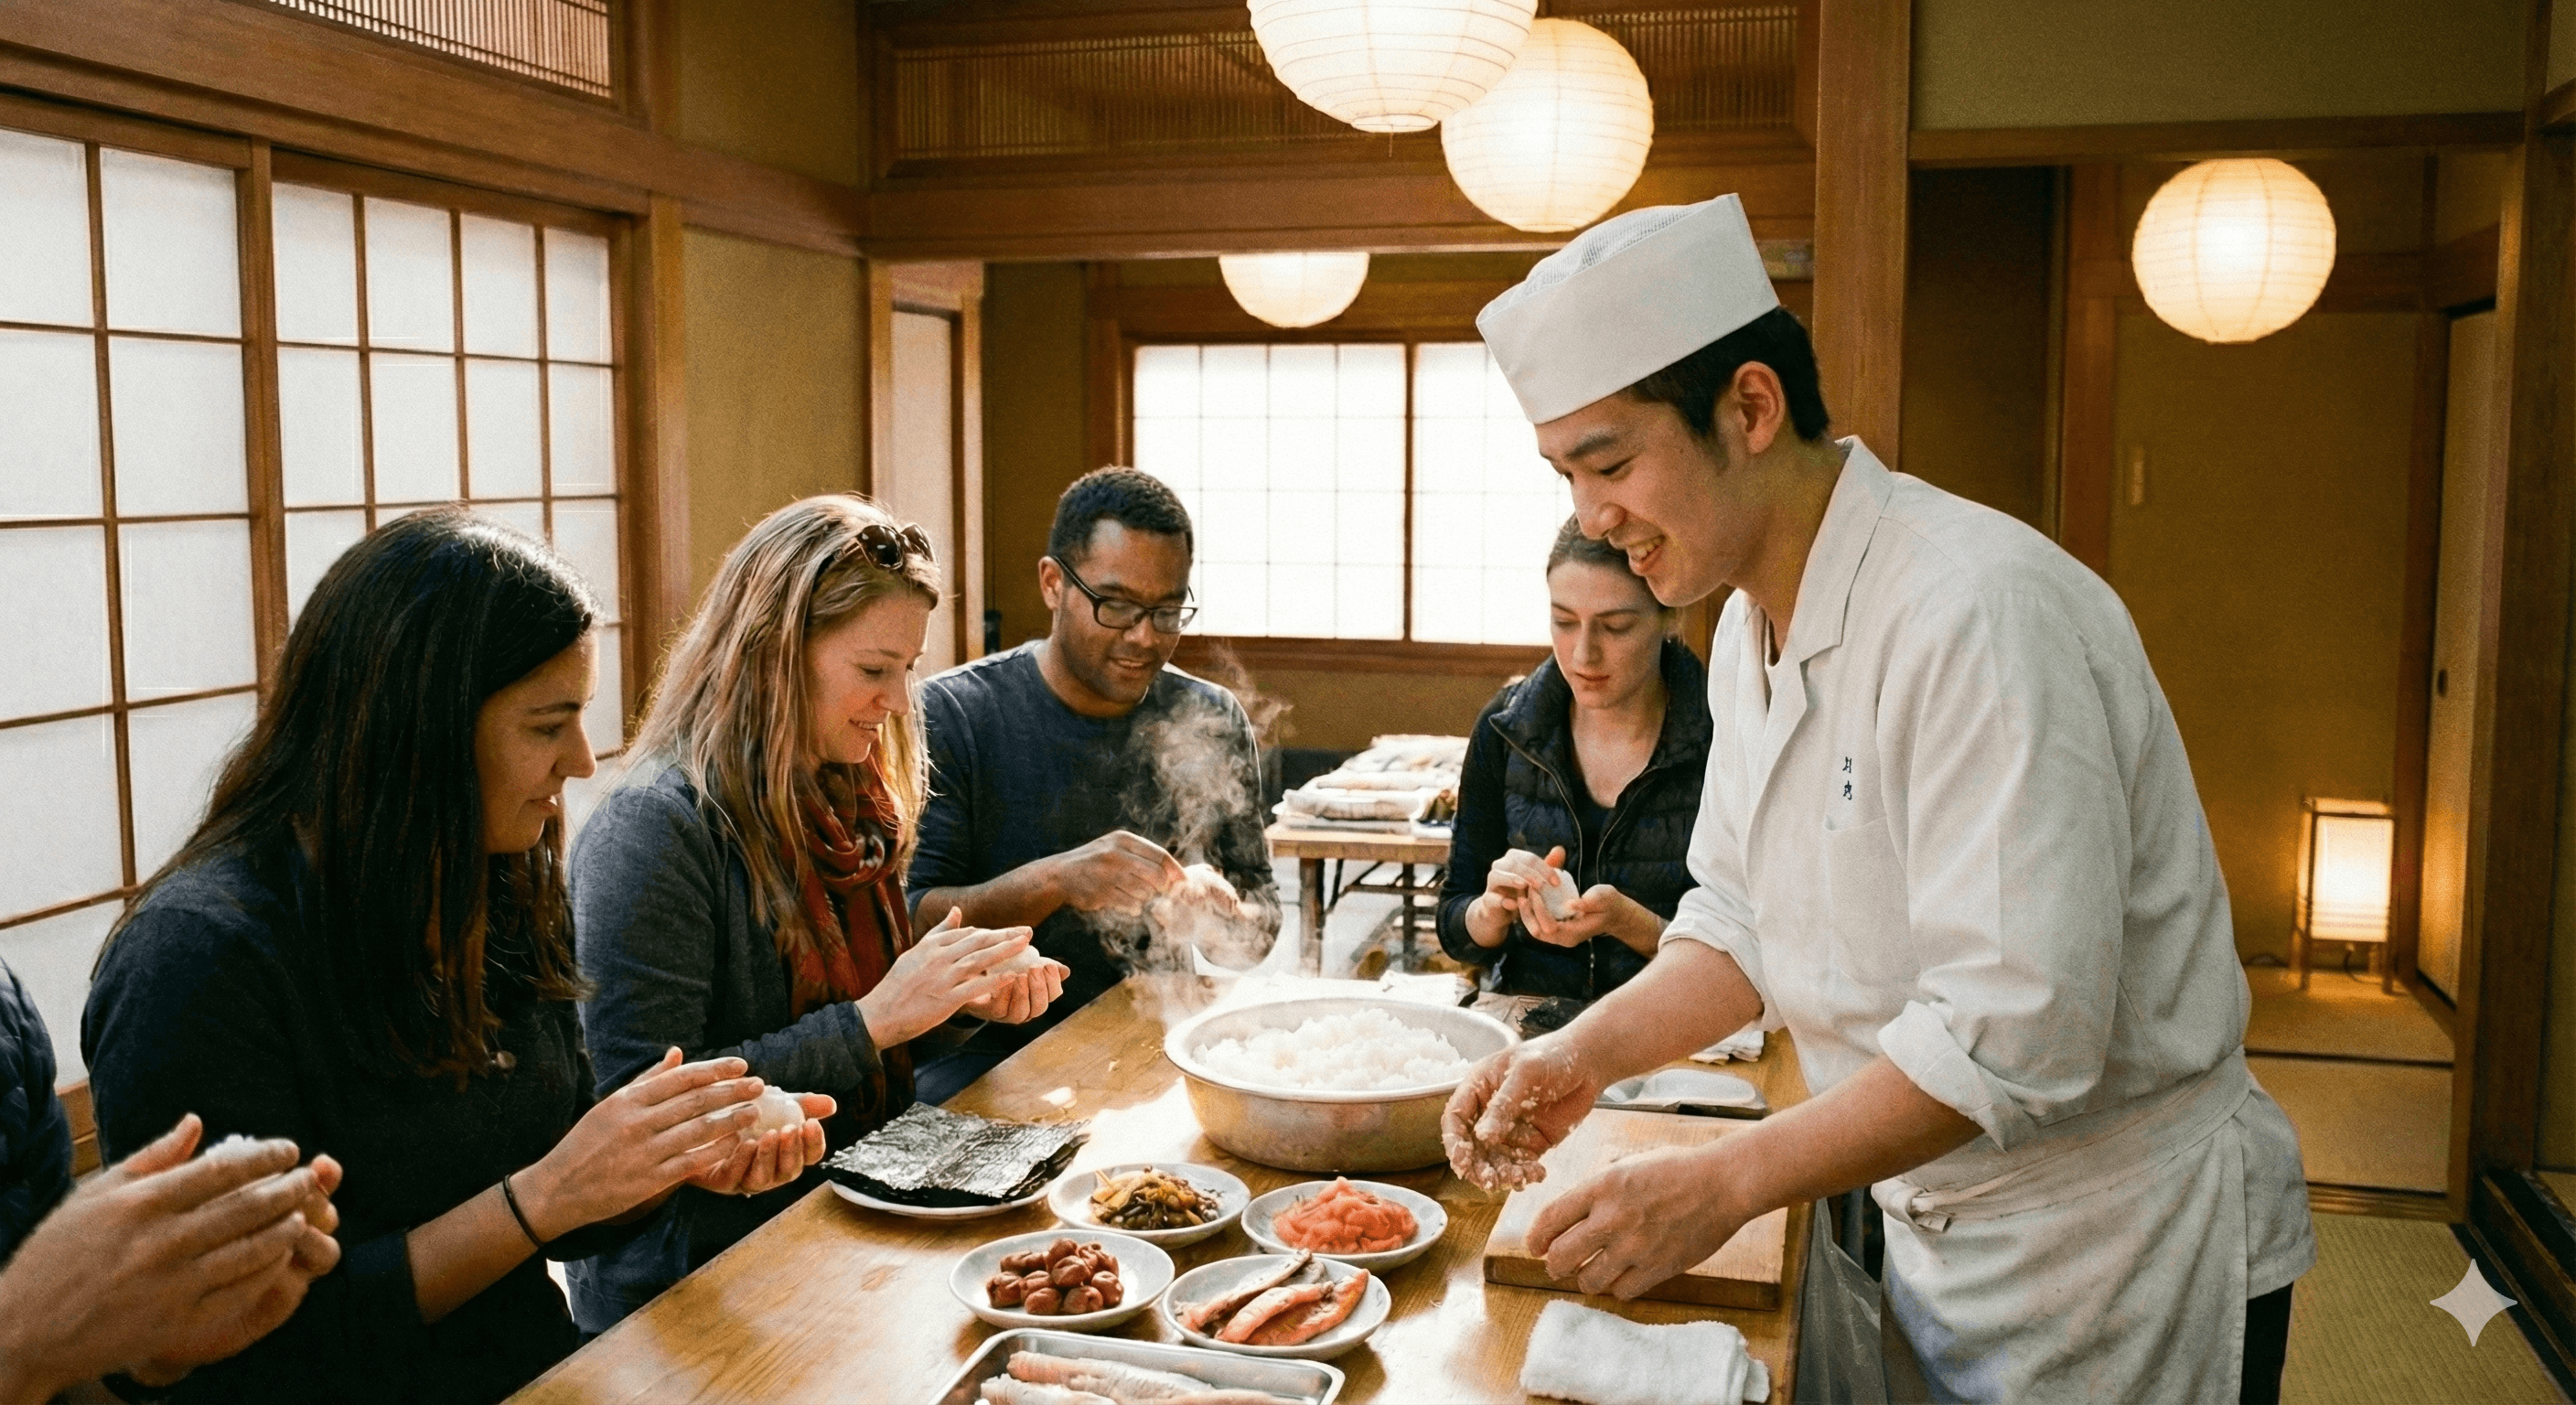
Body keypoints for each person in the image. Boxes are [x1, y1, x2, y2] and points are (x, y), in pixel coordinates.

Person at [1441, 195, 2312, 1404]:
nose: (1593, 517)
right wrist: (1585, 1053)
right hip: (1943, 1221)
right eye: (1567, 475)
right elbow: (1741, 917)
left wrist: (1730, 1179)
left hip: (2115, 1244)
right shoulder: (1749, 623)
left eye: (1611, 462)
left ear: (1751, 408)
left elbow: (2019, 1029)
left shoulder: (1974, 608)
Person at [82, 510, 792, 1404]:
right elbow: (240, 1355)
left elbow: (557, 1201)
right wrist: (537, 1198)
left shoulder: (490, 883)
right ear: (414, 730)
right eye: (547, 725)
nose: (580, 760)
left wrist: (663, 1164)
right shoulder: (199, 963)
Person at [566, 495, 1062, 1334]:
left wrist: (953, 1004)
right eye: (874, 671)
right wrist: (874, 1020)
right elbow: (642, 1121)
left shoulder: (846, 798)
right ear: (769, 655)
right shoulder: (655, 829)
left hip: (851, 1214)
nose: (901, 701)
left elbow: (869, 1035)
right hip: (694, 1285)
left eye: (908, 668)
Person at [907, 467, 1279, 1099]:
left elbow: (1261, 925)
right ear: (1054, 584)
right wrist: (1057, 880)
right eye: (1116, 606)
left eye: (1167, 610)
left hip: (1161, 1041)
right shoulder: (955, 715)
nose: (1144, 636)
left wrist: (1223, 914)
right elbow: (916, 920)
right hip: (991, 1053)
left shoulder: (1211, 718)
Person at [1438, 517, 1712, 1001]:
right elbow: (1457, 925)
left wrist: (1633, 924)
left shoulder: (1721, 733)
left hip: (1677, 1029)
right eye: (1564, 622)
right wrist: (1489, 912)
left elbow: (1759, 946)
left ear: (1669, 618)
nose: (1583, 654)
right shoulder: (1507, 727)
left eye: (1616, 626)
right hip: (1533, 1024)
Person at [0, 1112, 340, 1404]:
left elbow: (62, 1376)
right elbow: (35, 1327)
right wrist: (22, 1334)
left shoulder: (16, 1045)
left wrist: (146, 1359)